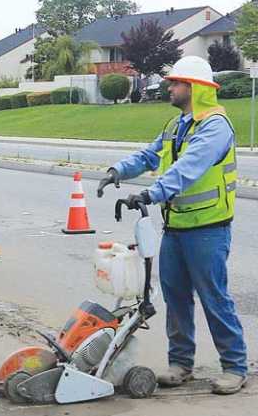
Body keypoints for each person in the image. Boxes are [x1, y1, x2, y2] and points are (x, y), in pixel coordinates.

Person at [97, 56, 247, 395]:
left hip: (208, 228)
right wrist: (117, 171)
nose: (169, 86)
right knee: (176, 297)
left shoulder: (215, 126)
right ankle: (181, 364)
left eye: (175, 82)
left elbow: (189, 168)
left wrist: (152, 193)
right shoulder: (176, 125)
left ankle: (235, 367)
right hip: (176, 227)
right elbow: (150, 155)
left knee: (214, 298)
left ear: (194, 88)